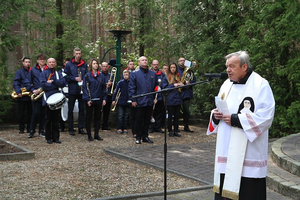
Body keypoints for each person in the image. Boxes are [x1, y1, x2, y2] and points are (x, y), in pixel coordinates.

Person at [207, 51, 275, 200]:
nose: (228, 70)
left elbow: (266, 117)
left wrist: (236, 120)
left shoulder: (260, 85)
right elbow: (219, 107)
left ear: (244, 67)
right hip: (226, 150)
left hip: (249, 155)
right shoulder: (226, 84)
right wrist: (215, 116)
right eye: (227, 66)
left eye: (232, 66)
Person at [128, 56, 159, 144]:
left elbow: (156, 86)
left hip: (149, 101)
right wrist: (133, 99)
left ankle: (145, 136)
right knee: (138, 119)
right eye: (143, 60)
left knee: (147, 119)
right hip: (139, 101)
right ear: (139, 62)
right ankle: (138, 136)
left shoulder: (152, 74)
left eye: (146, 60)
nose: (145, 61)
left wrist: (155, 97)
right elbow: (131, 88)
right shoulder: (135, 73)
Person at [40, 58, 66, 144]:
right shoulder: (43, 73)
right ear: (47, 64)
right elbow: (44, 86)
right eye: (50, 62)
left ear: (55, 63)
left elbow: (62, 83)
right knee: (48, 119)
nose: (51, 63)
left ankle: (56, 137)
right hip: (47, 98)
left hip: (57, 98)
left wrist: (53, 82)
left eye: (53, 62)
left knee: (56, 119)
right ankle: (48, 137)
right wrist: (55, 85)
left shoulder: (58, 73)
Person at [64, 47, 88, 136]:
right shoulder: (69, 65)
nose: (78, 55)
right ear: (73, 54)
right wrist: (74, 78)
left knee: (82, 109)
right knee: (70, 109)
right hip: (72, 89)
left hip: (81, 90)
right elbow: (65, 76)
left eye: (79, 53)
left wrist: (83, 80)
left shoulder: (84, 64)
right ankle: (70, 128)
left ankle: (80, 127)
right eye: (76, 53)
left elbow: (86, 75)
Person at [82, 58, 106, 141]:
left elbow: (104, 88)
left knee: (98, 117)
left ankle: (96, 134)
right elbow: (85, 88)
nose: (95, 65)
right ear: (91, 65)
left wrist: (104, 99)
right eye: (94, 63)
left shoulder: (101, 75)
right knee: (88, 117)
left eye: (96, 63)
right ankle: (89, 135)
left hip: (99, 99)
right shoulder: (87, 75)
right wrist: (87, 99)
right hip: (90, 99)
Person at [27, 53, 48, 138]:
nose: (42, 61)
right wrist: (33, 90)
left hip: (45, 94)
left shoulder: (48, 70)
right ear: (37, 60)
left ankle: (41, 130)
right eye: (40, 59)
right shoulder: (33, 70)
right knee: (35, 113)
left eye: (43, 59)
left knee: (44, 113)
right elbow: (27, 82)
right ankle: (32, 131)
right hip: (36, 94)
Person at [162, 63, 183, 137]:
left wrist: (182, 85)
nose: (173, 69)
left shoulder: (178, 76)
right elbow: (164, 88)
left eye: (174, 67)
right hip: (170, 99)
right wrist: (173, 85)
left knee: (177, 116)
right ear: (169, 69)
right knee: (170, 116)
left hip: (177, 98)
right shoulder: (166, 77)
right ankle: (170, 131)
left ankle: (176, 131)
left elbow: (181, 88)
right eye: (171, 67)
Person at [13, 57, 32, 134]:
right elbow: (16, 82)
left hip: (30, 95)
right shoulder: (19, 72)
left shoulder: (32, 71)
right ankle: (21, 128)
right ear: (23, 63)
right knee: (21, 113)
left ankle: (29, 128)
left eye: (29, 62)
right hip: (22, 95)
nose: (28, 63)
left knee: (30, 113)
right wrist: (18, 92)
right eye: (26, 62)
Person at [178, 57, 196, 132]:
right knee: (177, 111)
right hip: (178, 93)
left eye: (183, 61)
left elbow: (194, 80)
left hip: (187, 93)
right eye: (181, 61)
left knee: (186, 111)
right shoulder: (176, 70)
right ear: (178, 62)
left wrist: (189, 83)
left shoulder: (190, 71)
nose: (182, 62)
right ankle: (176, 127)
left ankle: (186, 126)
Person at [112, 70, 130, 134]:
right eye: (124, 75)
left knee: (126, 115)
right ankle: (119, 128)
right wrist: (113, 99)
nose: (125, 76)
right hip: (120, 101)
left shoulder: (130, 82)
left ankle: (125, 128)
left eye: (127, 75)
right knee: (120, 115)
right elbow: (116, 91)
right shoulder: (120, 82)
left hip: (127, 101)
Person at [149, 59, 165, 133]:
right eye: (154, 64)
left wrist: (160, 88)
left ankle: (158, 127)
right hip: (151, 96)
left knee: (159, 112)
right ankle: (152, 127)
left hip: (159, 96)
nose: (155, 66)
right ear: (152, 65)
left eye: (157, 64)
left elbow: (164, 83)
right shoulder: (149, 73)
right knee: (151, 112)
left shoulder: (162, 74)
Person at [100, 62, 115, 130]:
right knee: (98, 111)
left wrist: (111, 84)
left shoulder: (110, 75)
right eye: (103, 66)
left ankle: (105, 125)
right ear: (101, 67)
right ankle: (97, 125)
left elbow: (115, 84)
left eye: (106, 66)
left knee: (107, 111)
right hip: (100, 95)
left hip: (108, 94)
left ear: (108, 67)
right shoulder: (99, 75)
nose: (105, 67)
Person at [58, 58, 70, 132]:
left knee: (71, 110)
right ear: (64, 64)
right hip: (62, 93)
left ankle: (70, 126)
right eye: (66, 63)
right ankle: (62, 126)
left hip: (71, 93)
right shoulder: (59, 73)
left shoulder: (73, 72)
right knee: (62, 111)